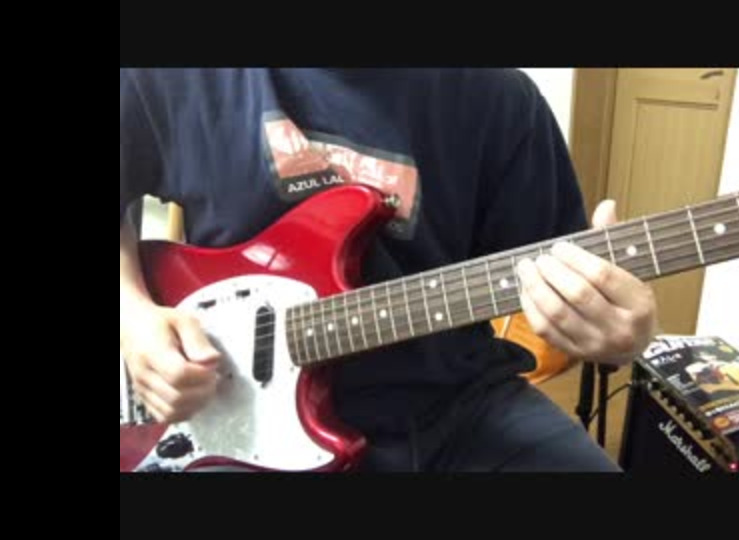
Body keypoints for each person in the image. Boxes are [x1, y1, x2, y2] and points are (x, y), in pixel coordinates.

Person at [120, 68, 658, 472]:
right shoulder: (174, 76)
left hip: (457, 406)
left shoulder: (500, 97)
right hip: (230, 407)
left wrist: (614, 335)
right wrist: (134, 317)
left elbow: (563, 288)